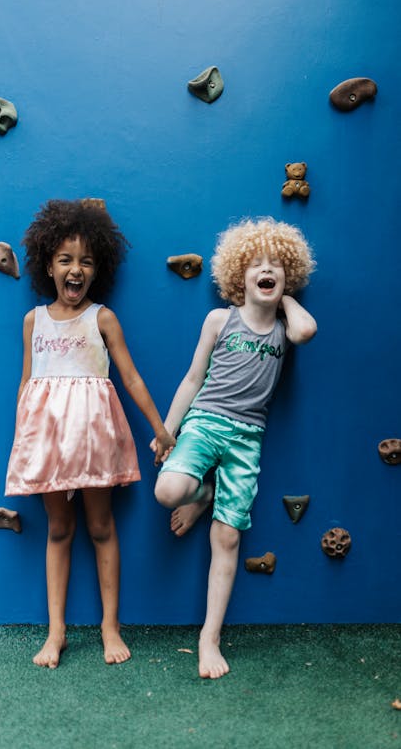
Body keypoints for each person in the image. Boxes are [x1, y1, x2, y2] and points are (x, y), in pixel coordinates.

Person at [5, 199, 175, 669]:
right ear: (47, 265)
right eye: (65, 259)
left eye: (85, 260)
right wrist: (23, 442)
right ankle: (56, 632)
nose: (75, 269)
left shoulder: (102, 318)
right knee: (59, 529)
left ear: (98, 267)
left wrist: (161, 429)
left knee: (101, 527)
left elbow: (132, 378)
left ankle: (109, 626)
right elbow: (27, 383)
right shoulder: (33, 321)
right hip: (47, 440)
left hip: (95, 439)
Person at [153, 217, 317, 680]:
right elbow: (192, 377)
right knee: (168, 491)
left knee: (227, 538)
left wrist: (284, 298)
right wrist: (169, 429)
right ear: (238, 276)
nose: (266, 271)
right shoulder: (219, 319)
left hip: (248, 437)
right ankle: (201, 495)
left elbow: (306, 331)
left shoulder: (287, 326)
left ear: (288, 279)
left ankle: (210, 638)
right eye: (256, 265)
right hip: (204, 422)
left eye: (277, 267)